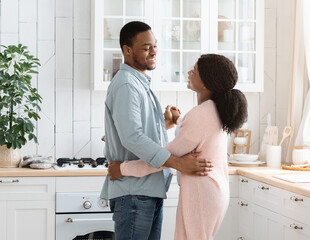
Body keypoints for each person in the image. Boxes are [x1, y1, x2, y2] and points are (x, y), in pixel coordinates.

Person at [108, 54, 248, 240]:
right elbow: (199, 133)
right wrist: (179, 121)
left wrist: (122, 169)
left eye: (195, 70)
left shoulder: (200, 114)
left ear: (206, 82)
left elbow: (164, 158)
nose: (189, 72)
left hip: (201, 194)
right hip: (213, 192)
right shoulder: (215, 109)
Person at [100, 21, 211, 240]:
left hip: (146, 191)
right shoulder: (127, 85)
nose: (154, 52)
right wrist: (178, 163)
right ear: (127, 50)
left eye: (155, 46)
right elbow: (132, 137)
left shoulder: (138, 82)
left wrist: (166, 124)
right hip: (134, 194)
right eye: (146, 47)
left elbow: (138, 130)